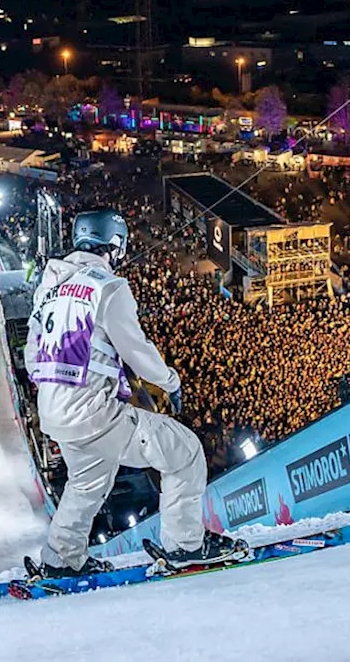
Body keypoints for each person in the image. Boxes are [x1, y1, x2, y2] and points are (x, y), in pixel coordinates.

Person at [23, 209, 248, 578]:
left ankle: (61, 557)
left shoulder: (49, 287)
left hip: (54, 410)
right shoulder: (108, 288)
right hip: (93, 411)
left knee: (87, 483)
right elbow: (137, 350)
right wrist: (171, 382)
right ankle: (185, 545)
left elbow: (33, 353)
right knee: (185, 451)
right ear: (116, 244)